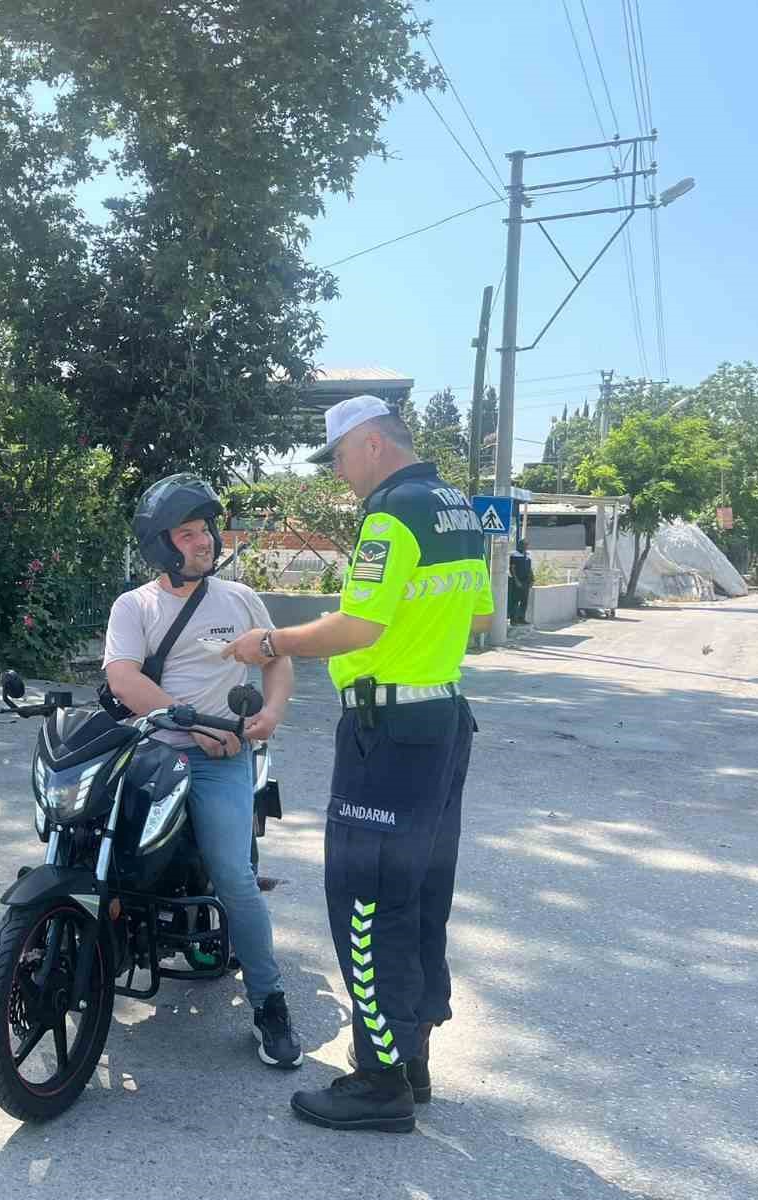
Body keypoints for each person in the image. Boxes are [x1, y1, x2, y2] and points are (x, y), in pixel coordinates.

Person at [221, 395, 490, 1132]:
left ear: (371, 444)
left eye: (338, 458)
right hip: (443, 720)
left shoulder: (392, 512)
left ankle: (378, 1083)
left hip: (389, 729)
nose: (338, 475)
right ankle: (414, 1057)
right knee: (421, 893)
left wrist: (270, 644)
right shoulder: (456, 509)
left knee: (365, 900)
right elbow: (480, 618)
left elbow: (357, 624)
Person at [102, 473, 304, 1070]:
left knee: (232, 875)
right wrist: (187, 724)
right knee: (101, 846)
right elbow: (124, 678)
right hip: (152, 749)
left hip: (222, 759)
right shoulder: (133, 605)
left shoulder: (240, 601)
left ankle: (269, 1005)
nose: (204, 542)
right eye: (187, 534)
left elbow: (278, 662)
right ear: (162, 545)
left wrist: (270, 713)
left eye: (206, 531)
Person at [509, 537, 533, 624]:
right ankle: (513, 619)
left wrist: (532, 579)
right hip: (517, 581)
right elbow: (512, 569)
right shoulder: (514, 555)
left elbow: (529, 568)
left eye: (527, 545)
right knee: (515, 600)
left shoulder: (528, 555)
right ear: (520, 545)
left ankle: (521, 618)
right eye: (525, 545)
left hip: (526, 581)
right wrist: (516, 580)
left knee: (524, 600)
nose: (526, 546)